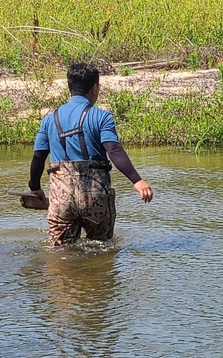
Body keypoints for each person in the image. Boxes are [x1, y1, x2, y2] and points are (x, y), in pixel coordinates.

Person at [28, 62, 153, 246]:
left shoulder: (49, 120)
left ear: (69, 86)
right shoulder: (101, 117)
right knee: (101, 249)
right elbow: (114, 150)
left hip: (62, 199)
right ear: (94, 87)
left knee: (59, 253)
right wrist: (137, 180)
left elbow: (38, 157)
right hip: (96, 197)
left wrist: (35, 186)